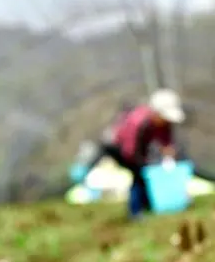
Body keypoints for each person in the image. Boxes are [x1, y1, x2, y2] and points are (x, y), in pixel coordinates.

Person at [72, 89, 186, 218]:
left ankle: (147, 206)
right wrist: (142, 164)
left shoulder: (162, 123)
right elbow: (130, 150)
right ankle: (135, 212)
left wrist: (168, 151)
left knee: (144, 175)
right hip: (117, 146)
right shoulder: (139, 122)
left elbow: (166, 140)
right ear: (156, 112)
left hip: (136, 150)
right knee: (139, 176)